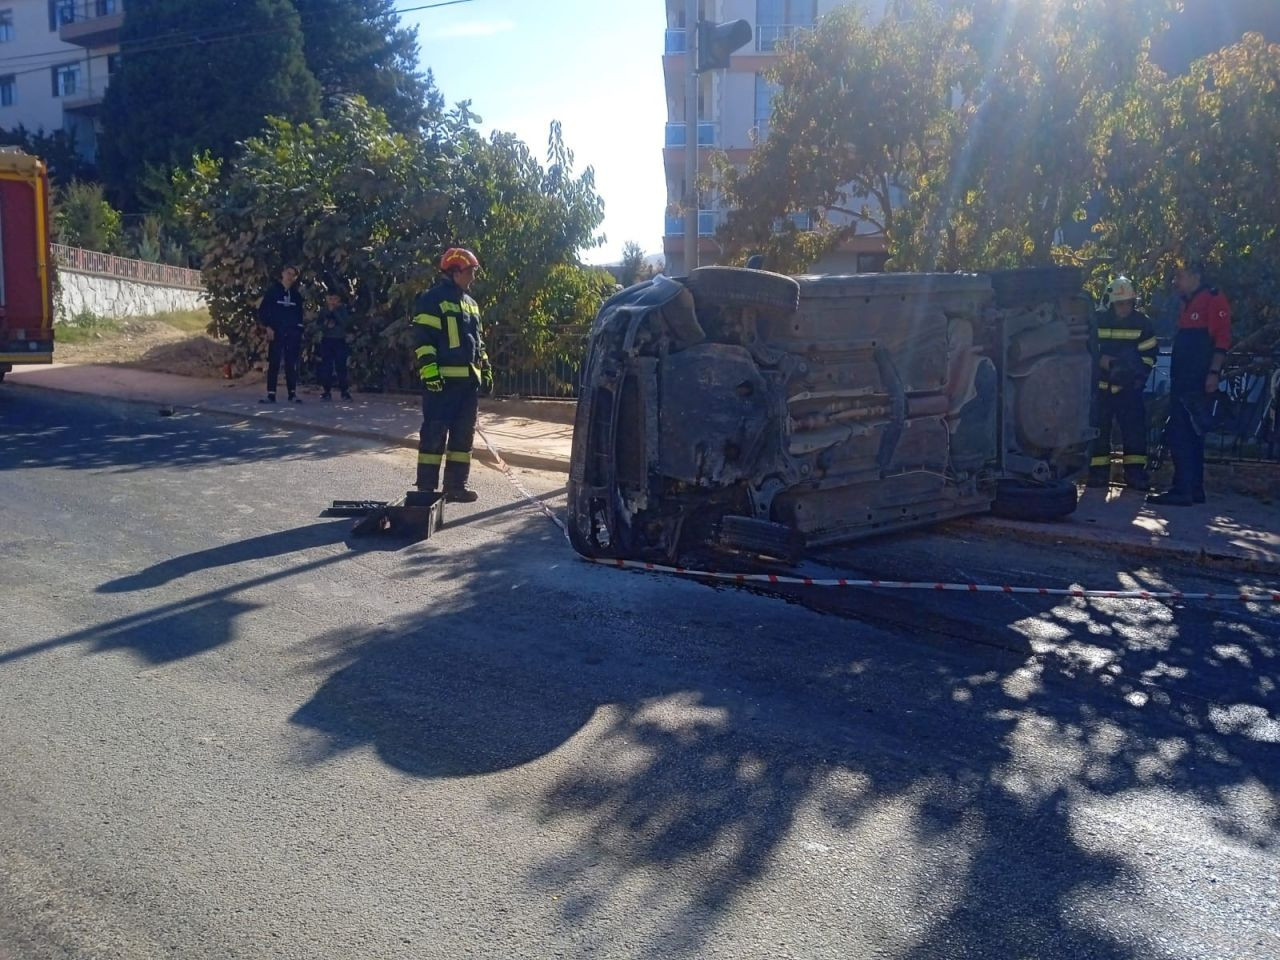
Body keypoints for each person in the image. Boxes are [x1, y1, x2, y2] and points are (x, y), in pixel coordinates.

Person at [410, 247, 493, 502]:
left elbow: (479, 343)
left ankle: (456, 486)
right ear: (455, 272)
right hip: (442, 382)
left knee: (462, 437)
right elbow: (424, 340)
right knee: (434, 433)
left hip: (467, 383)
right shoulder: (432, 300)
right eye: (470, 271)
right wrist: (430, 372)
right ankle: (426, 488)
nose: (474, 277)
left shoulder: (471, 304)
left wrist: (486, 369)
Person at [1148, 260, 1232, 507]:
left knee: (1183, 433)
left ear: (1195, 276)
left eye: (1181, 275)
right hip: (1183, 377)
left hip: (1196, 378)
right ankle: (1193, 488)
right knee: (1187, 433)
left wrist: (1214, 373)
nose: (1177, 281)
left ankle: (1182, 488)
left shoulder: (1213, 298)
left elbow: (1222, 339)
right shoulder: (1187, 302)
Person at [1088, 276, 1158, 490]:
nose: (1125, 307)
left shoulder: (1142, 323)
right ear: (1110, 302)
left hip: (1129, 389)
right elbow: (1086, 348)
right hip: (1101, 388)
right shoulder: (1097, 320)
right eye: (1120, 303)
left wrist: (1136, 375)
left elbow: (1149, 354)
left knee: (1134, 432)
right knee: (1098, 431)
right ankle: (1098, 474)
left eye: (1128, 302)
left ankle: (1135, 475)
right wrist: (1101, 360)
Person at [257, 265, 306, 403]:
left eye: (293, 275)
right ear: (283, 273)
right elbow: (263, 311)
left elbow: (299, 315)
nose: (290, 277)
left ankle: (292, 394)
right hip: (276, 332)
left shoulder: (296, 295)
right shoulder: (273, 292)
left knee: (291, 363)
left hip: (292, 333)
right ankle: (271, 394)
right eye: (288, 273)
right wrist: (268, 327)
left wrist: (298, 330)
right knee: (274, 363)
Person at [315, 290, 352, 401]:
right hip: (327, 340)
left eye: (335, 299)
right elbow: (319, 325)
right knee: (327, 366)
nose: (332, 302)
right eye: (330, 299)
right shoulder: (323, 310)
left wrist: (334, 311)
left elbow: (345, 323)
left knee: (341, 366)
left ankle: (344, 391)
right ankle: (326, 391)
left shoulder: (342, 310)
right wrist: (326, 325)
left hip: (339, 340)